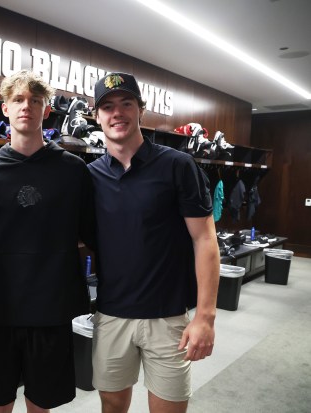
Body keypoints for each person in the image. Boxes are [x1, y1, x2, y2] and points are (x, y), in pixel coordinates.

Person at [87, 72, 220, 413]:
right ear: (97, 115)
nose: (117, 113)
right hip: (111, 315)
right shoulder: (89, 176)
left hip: (168, 318)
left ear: (141, 110)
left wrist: (205, 316)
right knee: (112, 404)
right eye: (108, 107)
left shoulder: (177, 166)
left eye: (126, 104)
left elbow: (204, 239)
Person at [0, 70, 96, 413]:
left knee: (41, 403)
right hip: (0, 312)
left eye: (35, 101)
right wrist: (5, 272)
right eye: (18, 100)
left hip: (52, 312)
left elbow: (92, 234)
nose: (27, 107)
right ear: (5, 109)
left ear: (47, 110)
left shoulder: (73, 171)